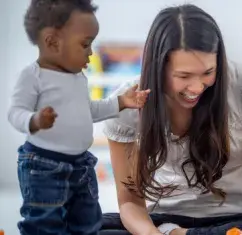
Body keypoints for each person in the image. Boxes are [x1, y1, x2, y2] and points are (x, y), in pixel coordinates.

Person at [99, 4, 242, 235]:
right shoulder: (126, 106)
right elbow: (129, 203)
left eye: (208, 72)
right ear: (157, 68)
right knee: (92, 228)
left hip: (238, 220)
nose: (197, 87)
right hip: (165, 222)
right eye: (183, 76)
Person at [7, 0, 148, 234]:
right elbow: (15, 112)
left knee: (88, 221)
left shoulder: (77, 78)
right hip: (44, 167)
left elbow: (89, 110)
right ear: (52, 42)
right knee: (44, 223)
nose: (91, 53)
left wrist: (122, 102)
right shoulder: (33, 76)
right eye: (85, 44)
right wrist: (34, 121)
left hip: (81, 165)